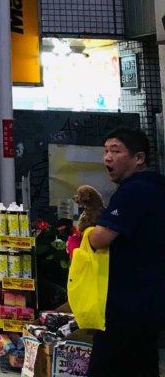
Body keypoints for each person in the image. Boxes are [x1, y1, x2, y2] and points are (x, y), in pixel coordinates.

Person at [86, 127, 165, 376]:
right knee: (141, 363)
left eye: (115, 151)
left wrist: (86, 235)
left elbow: (101, 238)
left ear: (138, 158)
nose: (107, 158)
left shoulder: (135, 190)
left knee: (107, 365)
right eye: (105, 151)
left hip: (128, 302)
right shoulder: (156, 186)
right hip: (149, 297)